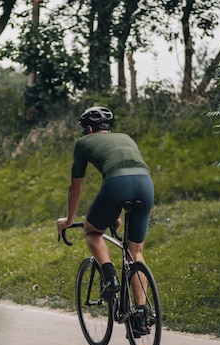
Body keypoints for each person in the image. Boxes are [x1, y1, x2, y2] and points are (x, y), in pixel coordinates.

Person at [57, 106, 154, 330]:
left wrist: (69, 220)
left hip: (116, 186)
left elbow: (76, 187)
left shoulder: (83, 143)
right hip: (145, 184)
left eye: (84, 130)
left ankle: (110, 277)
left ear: (89, 128)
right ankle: (141, 314)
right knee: (136, 253)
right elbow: (125, 168)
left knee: (92, 232)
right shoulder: (126, 138)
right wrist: (117, 214)